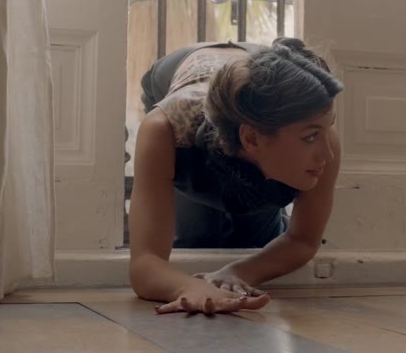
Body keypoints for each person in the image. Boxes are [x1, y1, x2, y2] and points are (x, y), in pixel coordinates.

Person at [129, 37, 344, 315]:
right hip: (180, 87)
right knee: (199, 239)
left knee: (254, 239)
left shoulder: (317, 131)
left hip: (254, 87)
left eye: (327, 129)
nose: (328, 154)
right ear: (252, 139)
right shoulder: (165, 129)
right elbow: (145, 263)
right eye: (311, 137)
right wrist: (190, 287)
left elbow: (302, 240)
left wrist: (237, 272)